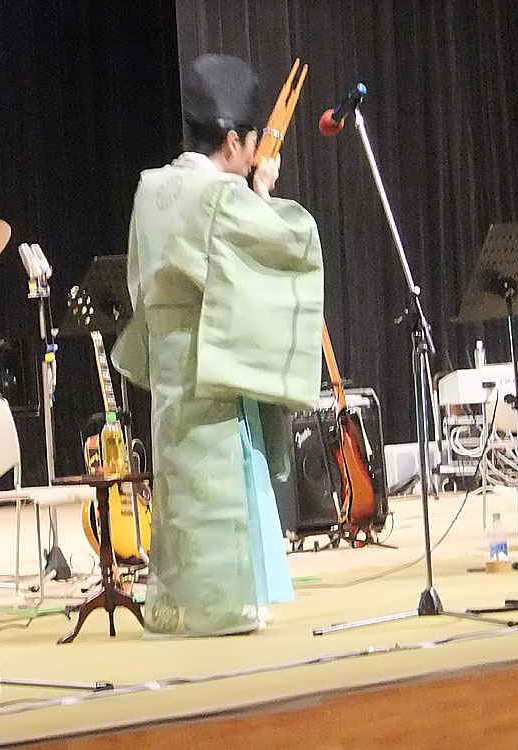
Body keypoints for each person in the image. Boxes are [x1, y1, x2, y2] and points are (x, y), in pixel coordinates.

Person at [112, 54, 324, 637]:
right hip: (214, 361)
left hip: (170, 365)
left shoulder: (151, 187)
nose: (254, 157)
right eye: (251, 146)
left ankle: (180, 604)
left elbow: (138, 275)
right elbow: (282, 247)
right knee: (222, 486)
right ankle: (225, 606)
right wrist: (263, 193)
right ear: (233, 141)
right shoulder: (219, 197)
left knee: (181, 491)